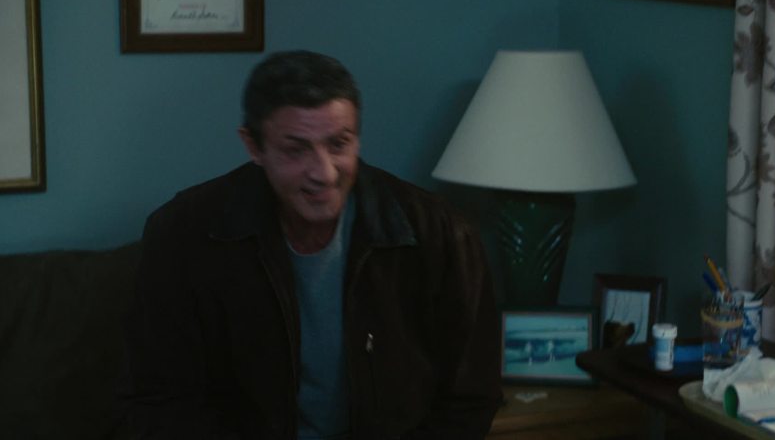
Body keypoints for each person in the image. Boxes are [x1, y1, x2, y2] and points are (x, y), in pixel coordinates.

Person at [121, 50, 502, 439]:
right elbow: (161, 400)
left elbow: (471, 396)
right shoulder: (184, 234)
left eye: (338, 144)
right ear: (254, 147)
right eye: (295, 149)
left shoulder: (439, 234)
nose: (323, 173)